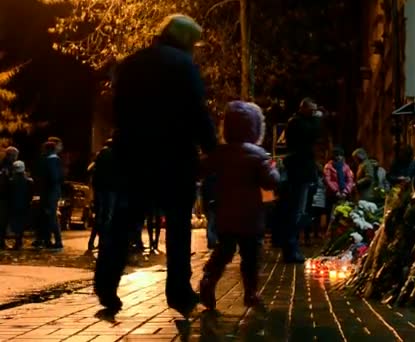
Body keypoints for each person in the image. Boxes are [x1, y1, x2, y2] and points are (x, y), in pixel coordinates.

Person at [94, 14, 217, 318]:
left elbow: (116, 108)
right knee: (177, 226)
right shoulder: (183, 65)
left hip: (133, 153)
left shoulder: (131, 63)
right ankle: (179, 292)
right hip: (174, 156)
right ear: (188, 41)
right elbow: (196, 111)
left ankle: (106, 284)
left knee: (124, 221)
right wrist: (213, 149)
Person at [199, 101, 279, 311]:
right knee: (251, 255)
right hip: (251, 216)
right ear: (255, 128)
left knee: (224, 250)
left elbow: (200, 169)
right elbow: (270, 182)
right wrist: (274, 171)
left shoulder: (221, 153)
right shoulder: (259, 155)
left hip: (225, 212)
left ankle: (209, 279)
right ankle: (251, 292)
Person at [282, 98, 322, 263]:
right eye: (311, 110)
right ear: (303, 109)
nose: (314, 113)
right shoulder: (298, 124)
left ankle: (292, 247)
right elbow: (313, 134)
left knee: (299, 211)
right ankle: (291, 249)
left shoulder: (299, 122)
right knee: (296, 212)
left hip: (302, 172)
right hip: (299, 172)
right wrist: (317, 119)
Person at [87, 138, 116, 252]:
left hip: (99, 188)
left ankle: (92, 241)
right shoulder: (115, 155)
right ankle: (103, 241)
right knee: (108, 216)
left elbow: (89, 169)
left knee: (98, 216)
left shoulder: (99, 155)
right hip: (111, 189)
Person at [38, 140, 64, 250]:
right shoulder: (54, 160)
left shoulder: (51, 160)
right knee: (49, 216)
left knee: (51, 216)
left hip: (50, 192)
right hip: (52, 191)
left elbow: (53, 177)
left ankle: (57, 240)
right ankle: (48, 239)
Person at [8, 160, 34, 250]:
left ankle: (18, 239)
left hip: (13, 205)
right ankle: (19, 239)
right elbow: (30, 194)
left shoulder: (11, 181)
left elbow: (8, 194)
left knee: (15, 223)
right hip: (25, 205)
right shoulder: (29, 181)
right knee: (21, 223)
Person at [323, 146, 355, 213]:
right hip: (332, 194)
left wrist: (346, 191)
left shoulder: (346, 166)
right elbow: (328, 180)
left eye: (340, 155)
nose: (339, 157)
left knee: (343, 212)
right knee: (330, 212)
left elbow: (350, 179)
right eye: (337, 155)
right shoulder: (328, 166)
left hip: (344, 193)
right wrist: (336, 191)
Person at [0, 146, 19, 250]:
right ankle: (1, 242)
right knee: (3, 220)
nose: (16, 158)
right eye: (15, 155)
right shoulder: (9, 166)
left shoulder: (3, 164)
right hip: (5, 196)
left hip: (4, 196)